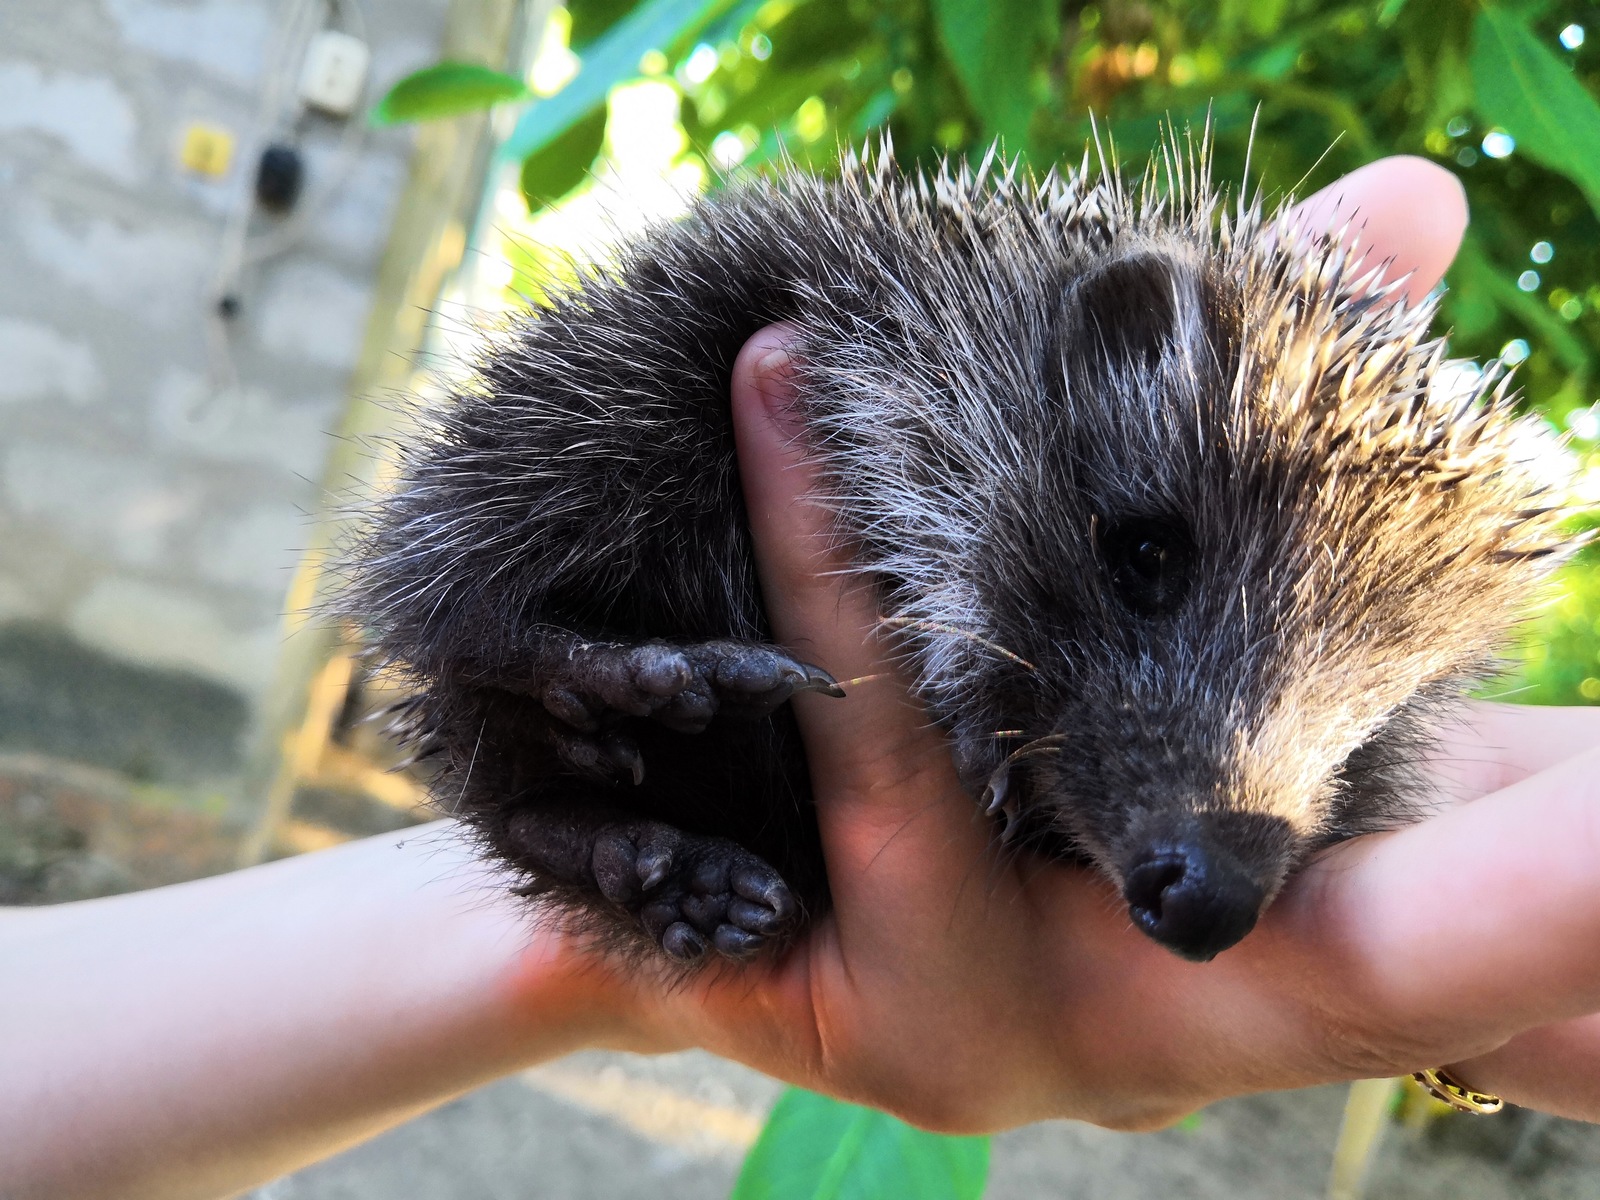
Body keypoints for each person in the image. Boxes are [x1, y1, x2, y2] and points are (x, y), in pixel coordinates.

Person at [3, 156, 1598, 1200]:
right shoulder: (929, 341)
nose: (1220, 845)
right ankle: (542, 680)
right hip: (604, 600)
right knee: (636, 416)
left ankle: (587, 806)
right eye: (1151, 573)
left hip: (699, 821)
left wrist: (1440, 1022)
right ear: (1112, 344)